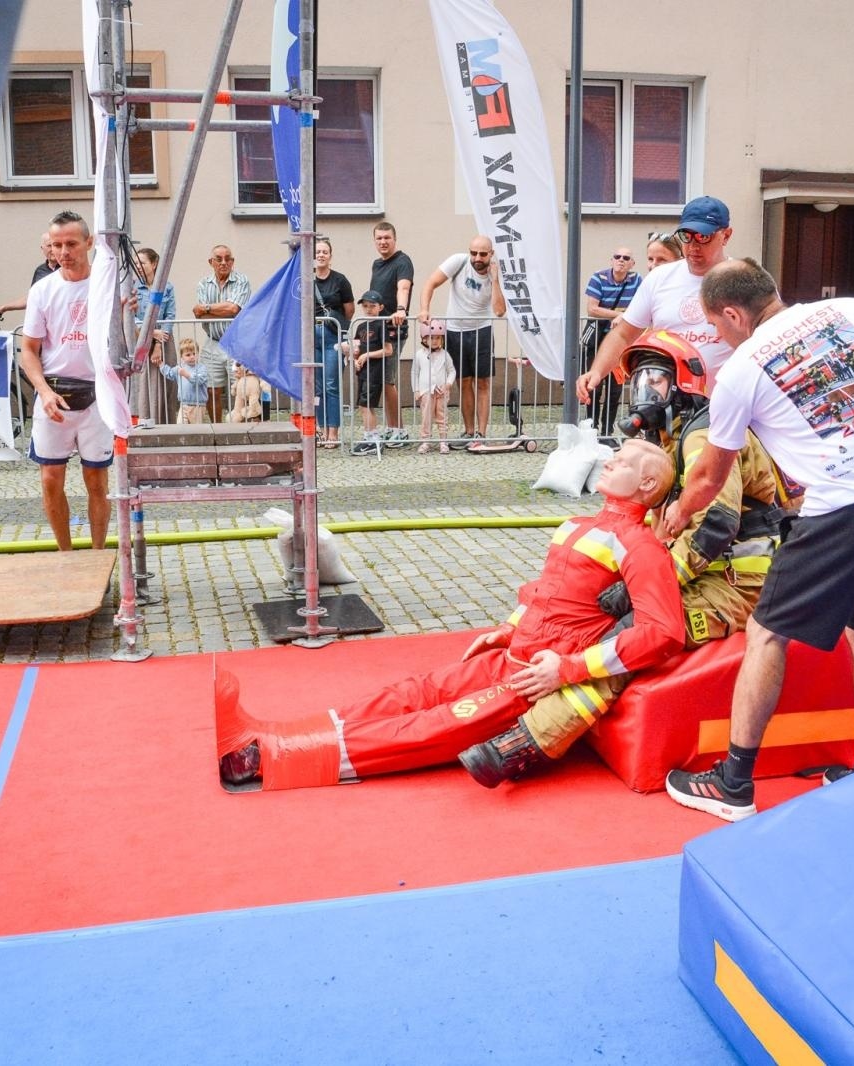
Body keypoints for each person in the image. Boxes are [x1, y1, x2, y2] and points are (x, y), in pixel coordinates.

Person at [217, 438, 684, 789]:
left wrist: (567, 670)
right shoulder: (580, 525)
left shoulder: (639, 547)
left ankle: (274, 757)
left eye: (622, 461)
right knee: (412, 693)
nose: (609, 460)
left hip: (535, 677)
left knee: (431, 726)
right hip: (518, 657)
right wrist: (507, 629)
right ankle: (281, 731)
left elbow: (663, 632)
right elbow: (545, 592)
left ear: (647, 483)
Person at [659, 259, 854, 822]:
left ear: (734, 314)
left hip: (844, 502)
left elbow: (711, 478)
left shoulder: (741, 371)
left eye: (718, 327)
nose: (719, 338)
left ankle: (734, 783)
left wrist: (677, 513)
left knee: (766, 633)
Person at [457, 329, 793, 787]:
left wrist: (655, 584)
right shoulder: (672, 438)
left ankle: (530, 742)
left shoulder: (703, 437)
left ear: (683, 384)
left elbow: (715, 525)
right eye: (636, 380)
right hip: (702, 568)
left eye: (654, 378)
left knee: (629, 635)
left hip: (733, 583)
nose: (643, 391)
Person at [575, 196, 735, 410]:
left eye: (703, 236)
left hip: (723, 404)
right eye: (686, 237)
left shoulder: (744, 280)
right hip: (663, 404)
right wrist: (596, 371)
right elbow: (623, 334)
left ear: (725, 235)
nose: (694, 246)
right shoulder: (660, 278)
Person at [18, 210, 113, 552]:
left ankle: (98, 554)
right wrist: (42, 391)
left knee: (96, 481)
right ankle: (66, 555)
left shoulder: (106, 286)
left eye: (71, 243)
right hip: (54, 394)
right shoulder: (43, 290)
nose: (63, 252)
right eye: (56, 245)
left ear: (89, 243)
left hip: (96, 396)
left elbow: (126, 339)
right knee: (50, 480)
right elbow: (28, 349)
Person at [418, 236, 506, 439]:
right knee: (464, 382)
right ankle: (468, 431)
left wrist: (495, 280)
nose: (477, 258)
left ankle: (481, 434)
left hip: (482, 331)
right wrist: (424, 309)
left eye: (483, 254)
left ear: (491, 254)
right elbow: (430, 283)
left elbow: (500, 311)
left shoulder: (495, 272)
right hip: (455, 331)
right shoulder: (458, 261)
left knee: (482, 383)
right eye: (473, 252)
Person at [581, 247, 643, 434]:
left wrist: (623, 318)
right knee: (594, 386)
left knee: (615, 389)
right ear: (611, 260)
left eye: (626, 258)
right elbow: (592, 309)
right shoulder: (598, 278)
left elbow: (641, 306)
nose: (621, 260)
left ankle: (607, 431)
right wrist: (620, 315)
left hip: (621, 341)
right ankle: (592, 429)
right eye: (617, 256)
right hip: (598, 339)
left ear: (632, 264)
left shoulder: (637, 280)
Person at [192, 245, 252, 422]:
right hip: (213, 341)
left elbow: (234, 308)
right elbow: (199, 315)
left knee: (241, 389)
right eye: (219, 259)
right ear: (211, 262)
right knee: (211, 389)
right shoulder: (203, 283)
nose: (224, 262)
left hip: (236, 343)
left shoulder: (242, 280)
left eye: (228, 259)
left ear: (233, 262)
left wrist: (207, 308)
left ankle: (240, 429)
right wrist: (219, 309)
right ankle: (217, 428)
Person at [368, 222, 414, 443]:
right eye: (379, 238)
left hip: (394, 328)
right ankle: (391, 425)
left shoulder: (403, 262)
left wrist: (401, 310)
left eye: (387, 237)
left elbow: (402, 287)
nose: (383, 242)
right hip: (379, 329)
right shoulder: (377, 264)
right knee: (384, 380)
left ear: (394, 239)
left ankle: (399, 430)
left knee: (388, 379)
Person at [312, 238, 355, 447]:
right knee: (316, 387)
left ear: (330, 255)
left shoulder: (340, 280)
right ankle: (320, 429)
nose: (321, 255)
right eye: (318, 251)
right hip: (312, 337)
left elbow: (349, 310)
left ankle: (333, 432)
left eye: (324, 252)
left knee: (331, 385)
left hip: (331, 336)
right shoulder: (306, 280)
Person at [131, 246, 177, 422]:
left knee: (166, 383)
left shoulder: (167, 287)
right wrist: (151, 332)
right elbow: (131, 317)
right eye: (136, 263)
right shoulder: (133, 287)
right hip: (140, 339)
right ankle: (144, 421)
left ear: (154, 264)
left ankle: (166, 424)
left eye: (142, 262)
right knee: (143, 384)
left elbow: (170, 316)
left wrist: (158, 343)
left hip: (164, 340)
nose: (138, 266)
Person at [345, 291, 395, 455]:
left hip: (375, 371)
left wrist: (367, 356)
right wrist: (355, 357)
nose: (368, 309)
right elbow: (358, 348)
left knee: (367, 404)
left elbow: (388, 350)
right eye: (365, 306)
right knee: (362, 404)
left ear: (380, 307)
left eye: (372, 306)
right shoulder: (360, 326)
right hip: (363, 371)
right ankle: (369, 436)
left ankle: (372, 438)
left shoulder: (381, 324)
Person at [0, 230, 60, 320]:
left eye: (56, 245)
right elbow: (32, 298)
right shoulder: (40, 271)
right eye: (49, 245)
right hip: (44, 322)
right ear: (42, 248)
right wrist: (4, 308)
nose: (53, 249)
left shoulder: (68, 268)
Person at [410, 319, 456, 452]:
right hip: (426, 391)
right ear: (424, 339)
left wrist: (448, 384)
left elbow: (452, 371)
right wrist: (416, 390)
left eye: (438, 338)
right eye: (431, 338)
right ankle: (426, 441)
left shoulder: (445, 354)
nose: (435, 341)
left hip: (441, 391)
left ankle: (443, 441)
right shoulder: (419, 355)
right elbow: (415, 372)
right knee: (426, 417)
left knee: (442, 416)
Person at [158, 337, 209, 424]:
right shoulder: (180, 367)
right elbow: (170, 373)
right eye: (188, 355)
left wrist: (187, 375)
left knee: (196, 430)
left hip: (198, 405)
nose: (192, 357)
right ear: (181, 357)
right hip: (183, 404)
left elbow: (199, 380)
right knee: (181, 426)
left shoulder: (201, 368)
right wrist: (161, 365)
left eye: (194, 353)